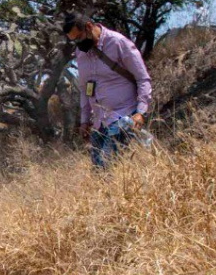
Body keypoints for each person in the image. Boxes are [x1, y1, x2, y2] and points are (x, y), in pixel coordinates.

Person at [62, 13, 153, 167]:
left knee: (107, 165)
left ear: (89, 27)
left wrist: (140, 112)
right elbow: (85, 89)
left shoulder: (118, 42)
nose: (78, 43)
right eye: (74, 40)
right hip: (99, 123)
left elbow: (142, 78)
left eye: (79, 37)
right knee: (99, 171)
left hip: (123, 115)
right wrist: (85, 121)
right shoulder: (80, 53)